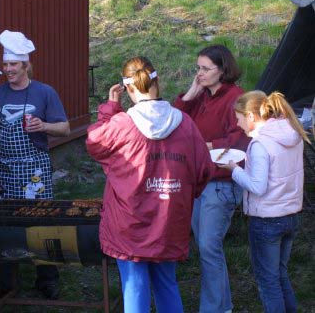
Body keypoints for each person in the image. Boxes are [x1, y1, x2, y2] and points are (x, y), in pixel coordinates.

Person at [86, 56, 214, 312]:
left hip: (129, 223)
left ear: (128, 89)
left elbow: (94, 143)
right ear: (158, 81)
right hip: (170, 219)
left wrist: (111, 108)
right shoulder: (185, 124)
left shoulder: (121, 124)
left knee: (134, 286)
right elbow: (204, 171)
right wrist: (181, 195)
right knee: (167, 284)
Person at [0, 30, 70, 300]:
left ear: (26, 65)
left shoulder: (44, 93)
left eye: (13, 65)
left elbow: (65, 129)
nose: (8, 70)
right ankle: (5, 280)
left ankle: (47, 279)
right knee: (4, 225)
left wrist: (44, 125)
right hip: (5, 171)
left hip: (35, 170)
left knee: (43, 224)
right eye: (5, 65)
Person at [173, 44, 250, 313]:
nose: (200, 74)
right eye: (198, 68)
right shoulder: (201, 97)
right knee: (205, 247)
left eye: (206, 69)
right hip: (199, 181)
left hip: (221, 182)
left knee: (208, 246)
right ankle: (222, 305)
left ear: (223, 69)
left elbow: (240, 139)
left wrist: (207, 145)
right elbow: (174, 122)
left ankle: (214, 308)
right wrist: (191, 93)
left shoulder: (236, 97)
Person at [221, 91, 307, 313]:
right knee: (280, 275)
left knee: (268, 282)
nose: (238, 125)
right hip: (290, 216)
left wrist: (234, 170)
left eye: (239, 118)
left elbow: (257, 186)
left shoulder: (260, 145)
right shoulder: (292, 134)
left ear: (251, 116)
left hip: (267, 221)